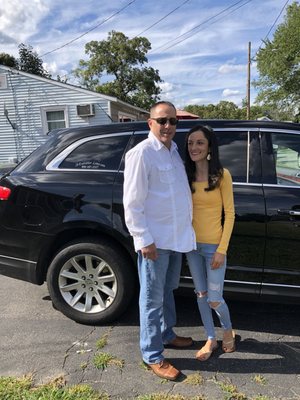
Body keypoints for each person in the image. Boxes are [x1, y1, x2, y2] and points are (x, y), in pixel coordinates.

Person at [123, 101, 196, 380]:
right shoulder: (141, 154)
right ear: (150, 123)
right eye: (162, 121)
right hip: (154, 241)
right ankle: (152, 354)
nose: (168, 126)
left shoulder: (174, 151)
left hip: (175, 238)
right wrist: (143, 239)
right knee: (152, 298)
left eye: (173, 121)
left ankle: (166, 334)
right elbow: (132, 202)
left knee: (167, 290)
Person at [185, 124, 235, 361]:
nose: (194, 147)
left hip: (214, 248)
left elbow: (231, 214)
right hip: (192, 248)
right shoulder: (185, 175)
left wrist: (222, 250)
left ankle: (227, 331)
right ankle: (210, 338)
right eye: (190, 143)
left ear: (209, 147)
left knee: (215, 298)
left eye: (200, 142)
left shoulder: (222, 175)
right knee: (202, 295)